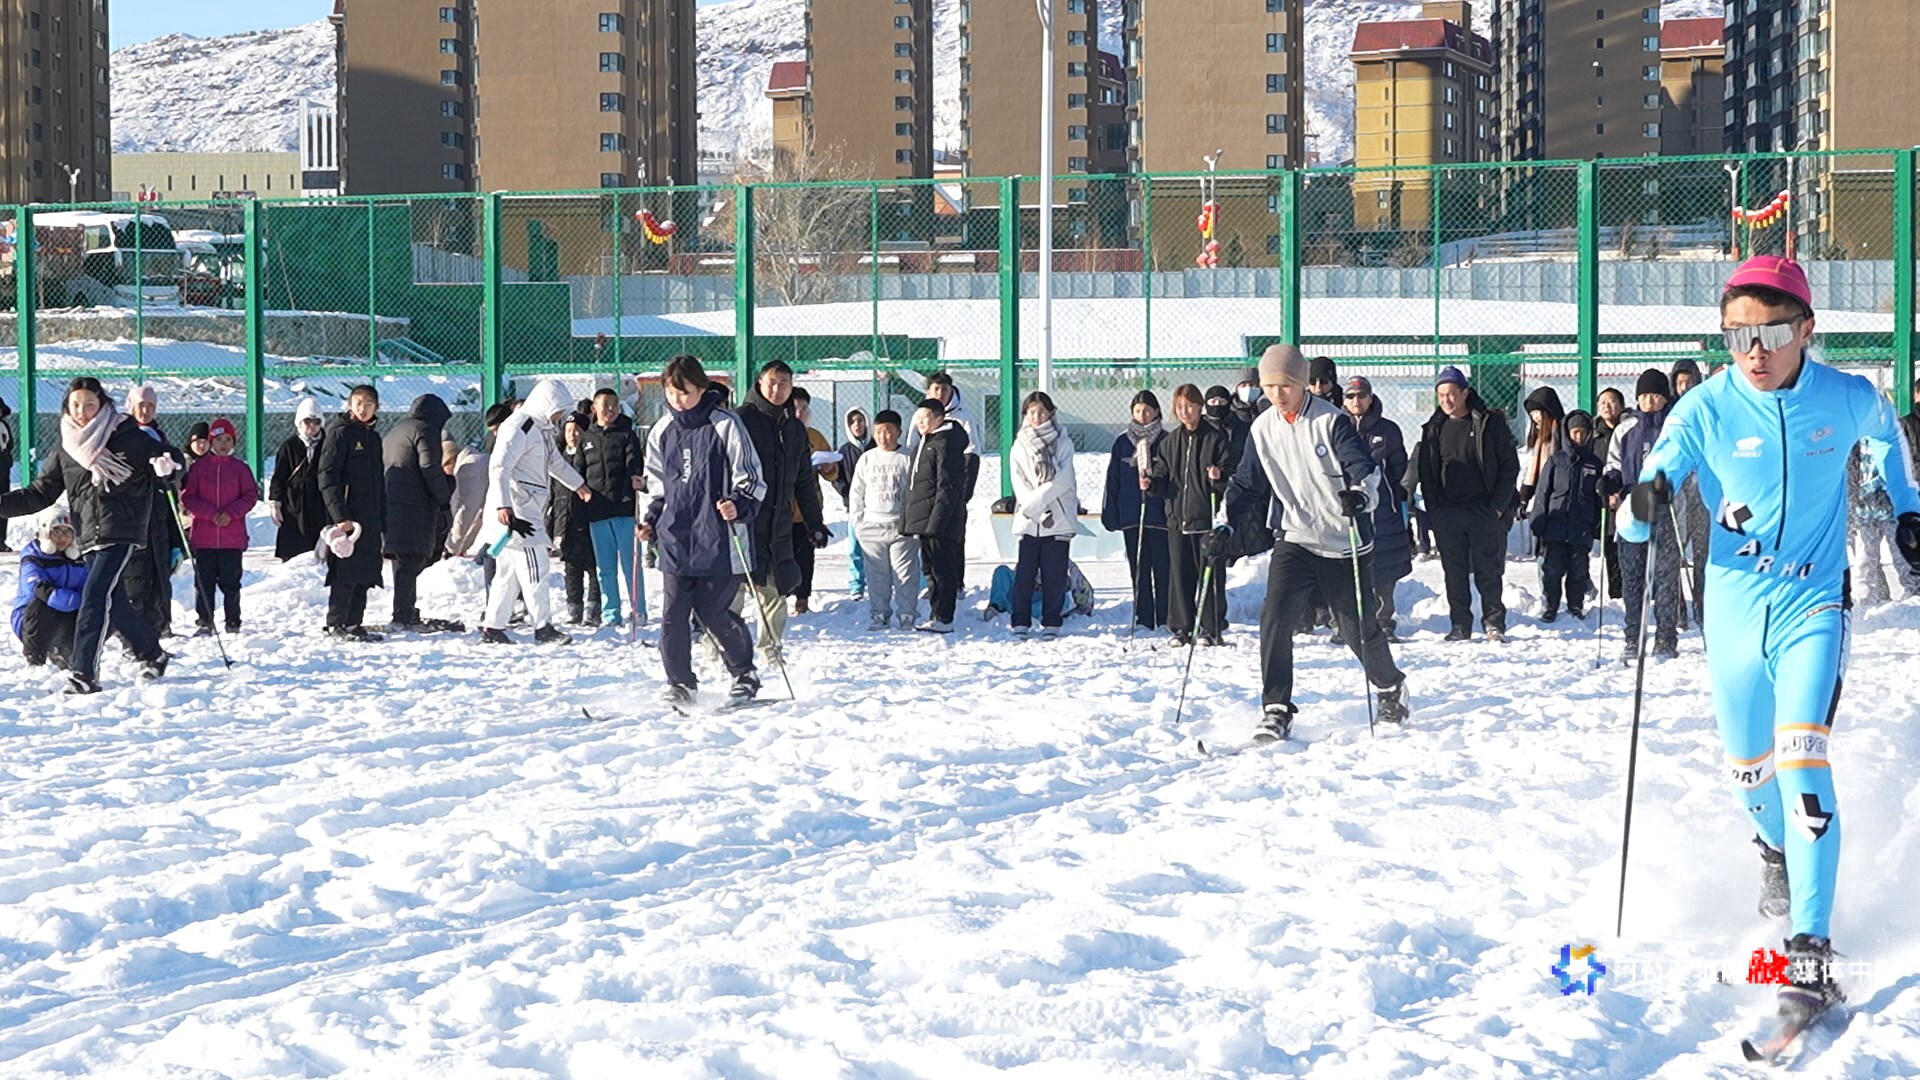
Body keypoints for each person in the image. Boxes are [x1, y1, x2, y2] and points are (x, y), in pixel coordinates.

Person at [1619, 255, 1920, 1028]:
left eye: (1773, 331)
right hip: (1734, 612)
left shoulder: (1845, 397)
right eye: (1737, 334)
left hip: (1814, 605)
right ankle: (1775, 853)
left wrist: (1909, 507)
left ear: (1806, 331)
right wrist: (1643, 505)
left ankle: (1811, 944)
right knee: (1751, 775)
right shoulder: (1708, 407)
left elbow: (1887, 435)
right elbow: (1662, 467)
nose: (1754, 349)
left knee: (1801, 756)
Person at [1219, 345, 1409, 741]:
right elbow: (1245, 482)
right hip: (1296, 537)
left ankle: (1390, 685)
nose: (1276, 394)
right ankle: (1276, 707)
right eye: (1269, 386)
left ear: (1301, 383)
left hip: (1345, 542)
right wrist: (1223, 524)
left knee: (1356, 628)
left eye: (1284, 385)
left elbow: (1364, 468)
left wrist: (1359, 495)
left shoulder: (1330, 422)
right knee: (1275, 617)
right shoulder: (1263, 428)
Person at [0, 377, 173, 694]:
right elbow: (40, 493)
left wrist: (168, 467)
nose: (83, 411)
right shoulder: (68, 448)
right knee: (114, 602)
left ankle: (84, 673)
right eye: (76, 405)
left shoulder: (126, 435)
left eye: (90, 404)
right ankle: (152, 652)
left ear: (103, 405)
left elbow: (166, 458)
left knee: (94, 597)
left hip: (122, 530)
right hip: (88, 535)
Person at [639, 354, 765, 708]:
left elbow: (752, 477)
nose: (679, 400)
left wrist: (738, 504)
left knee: (713, 611)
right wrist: (650, 520)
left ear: (702, 389)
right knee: (673, 613)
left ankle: (744, 673)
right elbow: (657, 485)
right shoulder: (661, 431)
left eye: (687, 392)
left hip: (719, 539)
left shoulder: (726, 425)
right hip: (676, 539)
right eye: (673, 393)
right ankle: (680, 683)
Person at [1406, 365, 1520, 642]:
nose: (1446, 400)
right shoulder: (1433, 428)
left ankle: (1494, 623)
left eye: (1451, 394)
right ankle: (1460, 625)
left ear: (1465, 393)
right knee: (1453, 572)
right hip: (1448, 513)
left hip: (1484, 510)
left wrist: (1497, 506)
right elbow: (1427, 471)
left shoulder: (1488, 423)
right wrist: (1434, 508)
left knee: (1488, 571)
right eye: (1441, 395)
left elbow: (1509, 465)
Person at [477, 379, 593, 646]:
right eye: (557, 408)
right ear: (545, 403)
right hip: (518, 515)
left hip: (524, 509)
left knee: (508, 574)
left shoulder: (540, 430)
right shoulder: (519, 426)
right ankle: (543, 627)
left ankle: (492, 627)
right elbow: (499, 467)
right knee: (536, 568)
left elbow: (555, 463)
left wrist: (579, 486)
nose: (560, 415)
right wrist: (504, 506)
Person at [735, 361, 823, 666]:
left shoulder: (794, 428)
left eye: (784, 383)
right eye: (772, 382)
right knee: (730, 595)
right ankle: (719, 651)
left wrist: (815, 523)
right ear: (759, 382)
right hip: (742, 522)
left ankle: (771, 652)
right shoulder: (739, 420)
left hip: (778, 525)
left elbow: (803, 482)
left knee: (774, 594)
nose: (777, 389)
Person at [1603, 368, 1682, 661]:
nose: (1649, 401)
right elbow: (1613, 463)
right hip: (1633, 506)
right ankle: (1633, 635)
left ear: (1665, 398)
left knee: (1665, 575)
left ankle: (1666, 638)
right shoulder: (1625, 429)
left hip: (1666, 506)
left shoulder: (1674, 427)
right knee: (1632, 576)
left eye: (1656, 395)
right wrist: (1609, 480)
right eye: (1644, 396)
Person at [1148, 384, 1230, 647]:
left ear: (1200, 407)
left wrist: (1218, 477)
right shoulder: (1170, 442)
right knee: (1179, 575)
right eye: (1180, 407)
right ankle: (1182, 627)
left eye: (1190, 406)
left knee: (1210, 575)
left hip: (1206, 519)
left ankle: (1211, 627)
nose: (1185, 412)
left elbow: (1230, 473)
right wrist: (1150, 484)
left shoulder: (1216, 438)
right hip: (1177, 519)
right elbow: (1162, 477)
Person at [381, 393, 459, 633]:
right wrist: (444, 496)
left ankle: (404, 609)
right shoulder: (426, 431)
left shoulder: (395, 431)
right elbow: (428, 466)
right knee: (411, 557)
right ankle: (403, 613)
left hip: (391, 501)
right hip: (414, 504)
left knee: (401, 559)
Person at [317, 385, 389, 642]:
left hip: (370, 518)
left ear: (376, 408)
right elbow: (327, 476)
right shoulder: (340, 434)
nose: (362, 408)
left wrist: (383, 520)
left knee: (365, 572)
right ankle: (335, 622)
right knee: (345, 572)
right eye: (358, 403)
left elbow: (379, 483)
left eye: (368, 404)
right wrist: (339, 515)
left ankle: (354, 623)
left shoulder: (374, 438)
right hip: (348, 519)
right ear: (349, 405)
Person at [1343, 376, 1412, 638]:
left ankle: (1383, 622)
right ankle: (1348, 623)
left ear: (1371, 398)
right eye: (1350, 396)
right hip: (1348, 511)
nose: (1356, 401)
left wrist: (1395, 499)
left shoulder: (1388, 430)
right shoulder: (1336, 427)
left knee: (1384, 568)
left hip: (1383, 512)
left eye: (1361, 396)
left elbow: (1399, 470)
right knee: (1348, 568)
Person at [1008, 391, 1078, 638]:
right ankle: (1020, 621)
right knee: (1024, 574)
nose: (1037, 416)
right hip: (1030, 521)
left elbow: (1064, 480)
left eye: (1042, 411)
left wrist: (1039, 503)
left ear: (1051, 412)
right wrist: (1035, 510)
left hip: (1058, 519)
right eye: (1032, 412)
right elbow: (1019, 481)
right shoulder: (1019, 445)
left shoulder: (1063, 442)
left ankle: (1052, 620)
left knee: (1054, 575)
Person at [576, 387, 647, 628]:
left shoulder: (627, 435)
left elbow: (635, 464)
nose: (610, 409)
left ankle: (639, 611)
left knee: (631, 565)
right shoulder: (586, 438)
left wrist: (636, 479)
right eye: (605, 405)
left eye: (615, 405)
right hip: (597, 512)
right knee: (605, 568)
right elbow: (578, 471)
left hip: (624, 510)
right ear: (594, 408)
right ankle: (611, 613)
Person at [180, 417, 258, 635]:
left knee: (231, 582)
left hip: (231, 538)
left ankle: (233, 621)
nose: (223, 444)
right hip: (204, 536)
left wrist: (230, 514)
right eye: (218, 439)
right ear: (211, 441)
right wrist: (210, 514)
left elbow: (250, 495)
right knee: (204, 582)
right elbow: (189, 498)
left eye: (227, 439)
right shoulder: (198, 468)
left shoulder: (240, 468)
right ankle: (205, 620)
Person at [1101, 390, 1169, 631]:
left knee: (1163, 568)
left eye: (1147, 410)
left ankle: (1165, 615)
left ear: (1157, 412)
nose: (1143, 415)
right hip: (1132, 515)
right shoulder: (1122, 443)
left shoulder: (1165, 440)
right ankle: (1143, 616)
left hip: (1159, 517)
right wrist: (1110, 512)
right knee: (1139, 569)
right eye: (1138, 411)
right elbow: (1113, 480)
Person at [122, 385, 186, 637]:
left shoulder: (160, 438)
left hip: (158, 515)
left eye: (150, 406)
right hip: (133, 516)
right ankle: (136, 633)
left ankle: (160, 626)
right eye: (141, 406)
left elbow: (176, 470)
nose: (146, 411)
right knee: (136, 578)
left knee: (160, 577)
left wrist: (170, 469)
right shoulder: (124, 436)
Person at [903, 397, 969, 633]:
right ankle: (935, 613)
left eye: (926, 418)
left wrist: (937, 521)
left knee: (943, 570)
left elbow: (947, 487)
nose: (921, 422)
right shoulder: (926, 442)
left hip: (941, 522)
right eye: (918, 418)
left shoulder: (946, 443)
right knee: (930, 569)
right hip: (925, 520)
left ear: (940, 419)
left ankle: (945, 617)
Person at [848, 409, 917, 631]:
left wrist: (913, 523)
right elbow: (856, 493)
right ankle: (879, 613)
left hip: (901, 527)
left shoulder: (908, 457)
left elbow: (915, 492)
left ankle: (907, 613)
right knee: (877, 576)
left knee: (904, 573)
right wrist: (858, 523)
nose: (883, 437)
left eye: (888, 432)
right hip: (871, 527)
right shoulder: (866, 459)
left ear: (899, 432)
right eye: (878, 432)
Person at [1530, 409, 1602, 622]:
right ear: (1567, 434)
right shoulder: (1555, 461)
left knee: (1578, 570)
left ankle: (1575, 605)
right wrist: (1539, 521)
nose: (1578, 437)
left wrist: (1597, 524)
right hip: (1555, 527)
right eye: (1574, 432)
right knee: (1552, 569)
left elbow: (1598, 499)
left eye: (1583, 432)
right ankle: (1551, 605)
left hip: (1581, 527)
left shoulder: (1594, 464)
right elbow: (1543, 492)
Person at [13, 507, 86, 669]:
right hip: (31, 620)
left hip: (65, 618)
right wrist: (76, 600)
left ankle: (68, 651)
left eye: (68, 533)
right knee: (42, 603)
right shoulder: (33, 557)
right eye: (57, 532)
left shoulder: (79, 559)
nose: (62, 538)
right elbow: (36, 587)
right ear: (46, 533)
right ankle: (35, 656)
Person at [1669, 357, 1711, 629]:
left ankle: (1703, 605)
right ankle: (1677, 609)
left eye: (1689, 382)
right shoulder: (1670, 414)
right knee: (1674, 551)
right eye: (1680, 382)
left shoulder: (1706, 409)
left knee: (1704, 552)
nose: (1684, 387)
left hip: (1704, 490)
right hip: (1677, 490)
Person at [552, 413, 602, 626]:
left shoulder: (591, 457)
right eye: (569, 431)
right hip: (566, 521)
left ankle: (593, 607)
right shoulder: (558, 458)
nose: (573, 435)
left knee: (593, 566)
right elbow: (555, 496)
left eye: (577, 431)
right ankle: (574, 607)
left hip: (588, 518)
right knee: (571, 567)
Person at [790, 386, 837, 614]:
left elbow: (832, 470)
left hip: (808, 509)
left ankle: (803, 598)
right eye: (795, 408)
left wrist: (828, 467)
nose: (799, 413)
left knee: (806, 556)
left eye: (804, 409)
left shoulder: (815, 436)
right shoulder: (779, 433)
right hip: (783, 508)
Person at [269, 398, 328, 561]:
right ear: (299, 422)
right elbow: (279, 476)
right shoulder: (289, 446)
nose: (312, 425)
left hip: (319, 503)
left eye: (316, 421)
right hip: (294, 505)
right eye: (307, 421)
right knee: (293, 552)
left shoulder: (328, 445)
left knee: (319, 553)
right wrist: (275, 502)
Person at [832, 407, 873, 602]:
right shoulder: (845, 450)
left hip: (877, 507)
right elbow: (836, 477)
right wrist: (847, 494)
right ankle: (857, 585)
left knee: (878, 548)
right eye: (852, 422)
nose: (857, 425)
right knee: (855, 548)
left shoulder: (876, 446)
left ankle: (879, 583)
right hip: (855, 508)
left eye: (860, 420)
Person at [1592, 387, 1627, 600]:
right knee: (1610, 549)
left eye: (1612, 401)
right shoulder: (1594, 435)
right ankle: (1615, 596)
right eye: (1602, 402)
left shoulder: (1629, 430)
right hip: (1603, 501)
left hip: (1627, 498)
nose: (1607, 406)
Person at [0, 394, 14, 550]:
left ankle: (0, 540)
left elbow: (9, 446)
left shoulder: (3, 426)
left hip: (2, 472)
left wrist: (6, 461)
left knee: (3, 505)